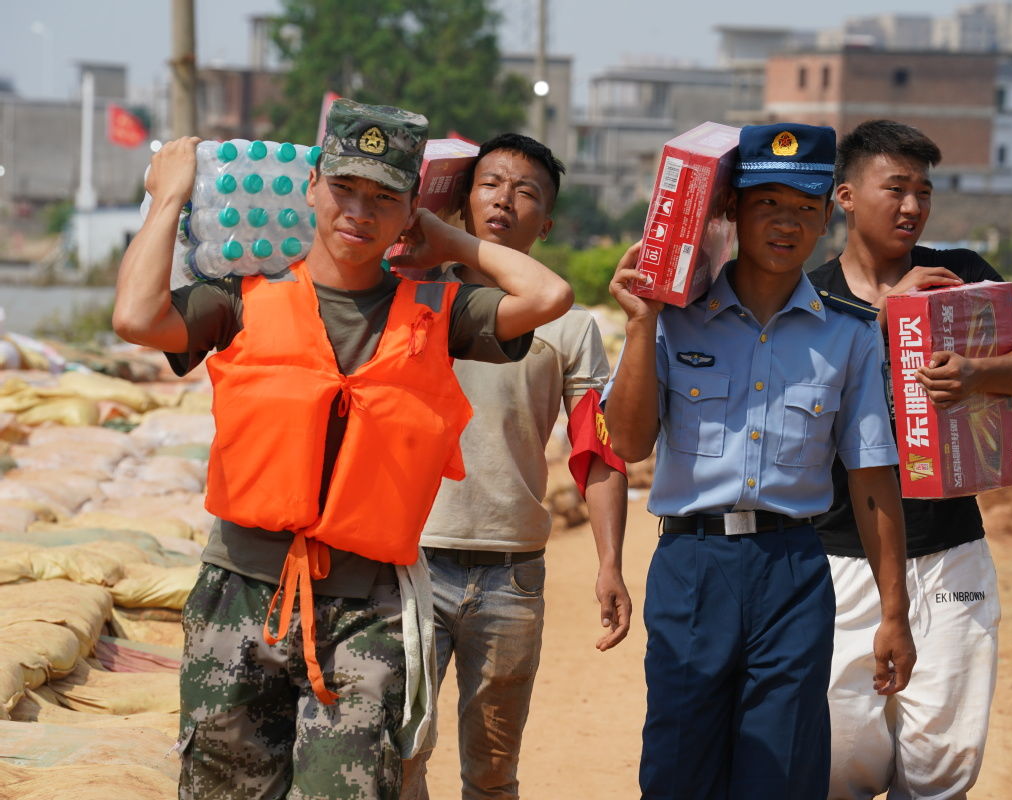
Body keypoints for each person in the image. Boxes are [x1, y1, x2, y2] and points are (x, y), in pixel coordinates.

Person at [111, 98, 574, 800]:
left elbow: (549, 295)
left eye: (383, 197)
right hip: (241, 590)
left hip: (368, 610)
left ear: (408, 210)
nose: (358, 210)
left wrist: (451, 242)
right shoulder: (241, 298)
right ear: (311, 188)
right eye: (344, 189)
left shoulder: (436, 310)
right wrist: (170, 196)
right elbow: (137, 317)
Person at [604, 122, 916, 800]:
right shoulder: (672, 318)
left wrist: (895, 611)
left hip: (793, 572)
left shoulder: (850, 334)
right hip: (693, 569)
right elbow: (626, 444)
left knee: (781, 770)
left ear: (827, 218)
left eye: (805, 208)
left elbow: (870, 478)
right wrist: (638, 323)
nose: (787, 223)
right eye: (768, 203)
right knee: (679, 764)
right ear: (732, 210)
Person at [809, 119, 1012, 800]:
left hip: (951, 547)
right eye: (894, 188)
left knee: (942, 763)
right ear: (844, 196)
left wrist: (981, 375)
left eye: (923, 192)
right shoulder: (808, 298)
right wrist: (890, 318)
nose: (911, 207)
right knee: (837, 757)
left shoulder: (959, 279)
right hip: (837, 557)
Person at [397, 133, 632, 800]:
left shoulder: (568, 326)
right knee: (398, 755)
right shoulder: (410, 300)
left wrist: (609, 563)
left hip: (511, 576)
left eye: (526, 192)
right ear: (461, 200)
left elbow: (597, 452)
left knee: (493, 772)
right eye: (491, 183)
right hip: (409, 564)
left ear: (547, 221)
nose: (505, 198)